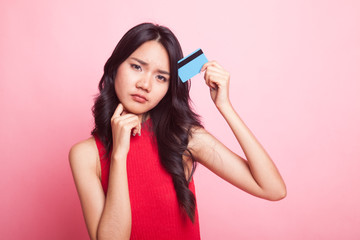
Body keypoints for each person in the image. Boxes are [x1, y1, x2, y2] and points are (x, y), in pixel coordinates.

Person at [69, 22, 286, 240]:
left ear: (169, 87)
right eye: (137, 67)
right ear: (115, 67)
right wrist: (118, 154)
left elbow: (272, 189)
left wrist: (225, 106)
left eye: (161, 77)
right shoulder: (85, 155)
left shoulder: (183, 137)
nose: (145, 84)